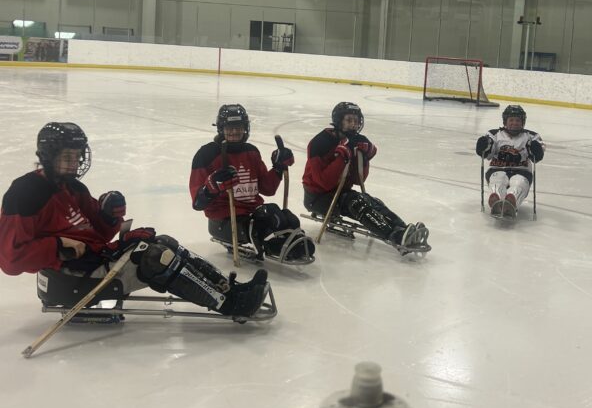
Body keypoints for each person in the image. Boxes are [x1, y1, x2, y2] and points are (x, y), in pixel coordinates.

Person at [0, 123, 269, 320]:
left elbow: (100, 235)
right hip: (72, 274)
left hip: (93, 261)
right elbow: (10, 259)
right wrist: (58, 244)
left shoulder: (72, 188)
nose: (74, 164)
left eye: (77, 157)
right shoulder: (26, 192)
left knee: (164, 243)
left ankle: (228, 288)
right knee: (157, 258)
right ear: (48, 157)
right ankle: (233, 304)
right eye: (66, 158)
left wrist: (108, 216)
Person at [190, 104, 314, 264]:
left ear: (245, 128)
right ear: (221, 129)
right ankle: (278, 245)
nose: (234, 132)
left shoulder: (252, 151)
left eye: (239, 127)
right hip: (225, 219)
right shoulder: (206, 154)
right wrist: (212, 186)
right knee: (266, 220)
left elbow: (267, 189)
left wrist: (278, 167)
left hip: (252, 211)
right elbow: (197, 202)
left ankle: (288, 241)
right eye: (230, 127)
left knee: (287, 219)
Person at [302, 102, 430, 254]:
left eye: (356, 121)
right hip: (318, 197)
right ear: (338, 121)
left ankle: (402, 228)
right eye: (349, 120)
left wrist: (365, 157)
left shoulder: (354, 140)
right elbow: (324, 182)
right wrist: (342, 156)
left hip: (340, 192)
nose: (354, 125)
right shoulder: (320, 142)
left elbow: (357, 179)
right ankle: (396, 237)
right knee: (356, 202)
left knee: (373, 202)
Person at [475, 104, 545, 218]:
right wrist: (483, 146)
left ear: (523, 122)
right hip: (496, 169)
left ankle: (511, 201)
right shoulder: (494, 134)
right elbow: (487, 152)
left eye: (517, 120)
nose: (514, 123)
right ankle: (496, 198)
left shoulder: (531, 136)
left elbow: (537, 156)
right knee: (499, 179)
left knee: (519, 182)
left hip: (522, 171)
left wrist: (536, 150)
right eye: (511, 120)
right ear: (505, 121)